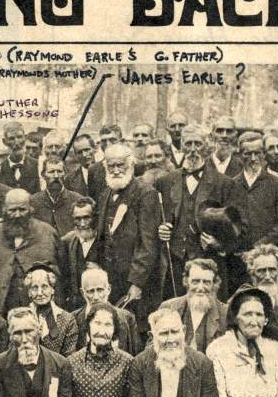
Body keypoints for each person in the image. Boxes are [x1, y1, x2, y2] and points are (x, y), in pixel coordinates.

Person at [154, 124, 223, 292]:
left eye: (198, 144)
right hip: (175, 261)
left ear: (206, 147)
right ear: (182, 146)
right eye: (188, 144)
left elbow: (237, 227)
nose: (193, 150)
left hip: (208, 261)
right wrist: (160, 229)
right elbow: (155, 218)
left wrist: (218, 242)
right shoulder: (165, 182)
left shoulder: (223, 183)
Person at [96, 143, 161, 319]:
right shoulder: (105, 195)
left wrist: (137, 282)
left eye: (120, 165)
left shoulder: (145, 194)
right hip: (111, 279)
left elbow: (148, 243)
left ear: (131, 166)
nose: (116, 170)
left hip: (134, 281)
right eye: (111, 166)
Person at [0, 188, 62, 315]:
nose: (17, 214)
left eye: (22, 209)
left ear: (31, 209)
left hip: (41, 310)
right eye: (12, 210)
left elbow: (61, 272)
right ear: (4, 210)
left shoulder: (48, 234)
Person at [217, 132, 278, 256]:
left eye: (257, 153)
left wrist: (257, 248)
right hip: (236, 258)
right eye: (247, 154)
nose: (253, 159)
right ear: (240, 155)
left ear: (263, 154)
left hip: (267, 257)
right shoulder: (230, 185)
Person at [158, 258, 228, 353]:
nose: (200, 288)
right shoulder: (168, 307)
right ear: (186, 282)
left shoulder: (225, 313)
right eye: (195, 281)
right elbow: (153, 346)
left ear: (214, 284)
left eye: (206, 282)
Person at [71, 267, 140, 354]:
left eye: (100, 290)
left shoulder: (126, 318)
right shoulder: (73, 319)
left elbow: (135, 354)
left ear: (108, 289)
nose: (96, 297)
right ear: (82, 293)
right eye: (90, 291)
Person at [25, 262, 78, 356]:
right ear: (29, 292)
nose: (40, 293)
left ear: (52, 289)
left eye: (44, 287)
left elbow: (69, 358)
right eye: (34, 288)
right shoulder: (21, 318)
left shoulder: (67, 319)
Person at [31, 157, 81, 237]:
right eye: (51, 172)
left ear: (65, 174)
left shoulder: (77, 199)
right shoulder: (33, 201)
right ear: (43, 175)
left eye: (59, 171)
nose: (56, 176)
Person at [0, 122, 39, 193]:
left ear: (25, 138)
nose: (16, 143)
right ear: (4, 141)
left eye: (19, 137)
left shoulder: (37, 165)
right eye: (11, 138)